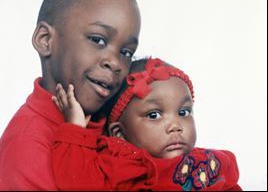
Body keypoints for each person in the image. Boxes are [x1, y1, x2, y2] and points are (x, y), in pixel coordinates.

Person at [0, 0, 141, 190]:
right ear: (45, 40)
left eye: (126, 52)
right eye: (98, 40)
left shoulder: (118, 120)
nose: (115, 62)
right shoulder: (27, 145)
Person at [51, 57, 242, 191]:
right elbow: (76, 182)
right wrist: (75, 128)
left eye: (184, 112)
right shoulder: (121, 167)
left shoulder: (211, 162)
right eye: (154, 115)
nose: (176, 125)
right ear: (119, 133)